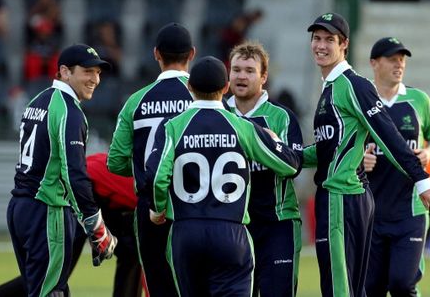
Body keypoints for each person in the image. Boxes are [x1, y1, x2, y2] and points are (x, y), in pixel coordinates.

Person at [302, 13, 430, 297]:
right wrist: (282, 153)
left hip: (342, 197)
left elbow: (387, 135)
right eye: (317, 38)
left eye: (329, 40)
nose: (321, 45)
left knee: (342, 289)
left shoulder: (351, 85)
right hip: (352, 198)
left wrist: (422, 178)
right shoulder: (331, 87)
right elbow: (330, 148)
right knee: (360, 288)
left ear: (344, 45)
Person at [145, 55, 301, 296]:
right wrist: (276, 142)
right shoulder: (242, 126)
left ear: (189, 87)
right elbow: (290, 166)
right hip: (231, 231)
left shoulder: (172, 126)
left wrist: (157, 208)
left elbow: (156, 175)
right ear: (226, 87)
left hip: (186, 231)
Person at [6, 44, 117, 297]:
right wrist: (96, 226)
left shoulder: (38, 100)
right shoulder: (70, 111)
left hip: (20, 208)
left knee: (40, 289)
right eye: (87, 72)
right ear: (64, 72)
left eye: (98, 73)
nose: (95, 80)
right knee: (51, 291)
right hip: (47, 211)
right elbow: (74, 174)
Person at [107, 22, 195, 297]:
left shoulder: (136, 101)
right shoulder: (203, 96)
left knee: (158, 286)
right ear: (192, 54)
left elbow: (115, 162)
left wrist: (144, 168)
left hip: (149, 209)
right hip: (195, 203)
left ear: (156, 54)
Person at [0, 153, 144, 297]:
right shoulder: (158, 195)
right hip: (80, 189)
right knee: (52, 277)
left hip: (101, 192)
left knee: (133, 253)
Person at [361, 37, 430, 297]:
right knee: (371, 288)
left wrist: (429, 152)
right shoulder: (360, 102)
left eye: (402, 60)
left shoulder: (418, 100)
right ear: (374, 63)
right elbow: (343, 146)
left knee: (401, 284)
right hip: (371, 211)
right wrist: (360, 161)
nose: (399, 65)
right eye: (392, 59)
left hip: (411, 210)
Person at [226, 41, 303, 296]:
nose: (241, 76)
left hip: (277, 223)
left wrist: (266, 143)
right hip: (232, 226)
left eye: (249, 70)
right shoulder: (219, 114)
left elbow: (294, 166)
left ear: (264, 77)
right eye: (236, 69)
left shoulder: (282, 117)